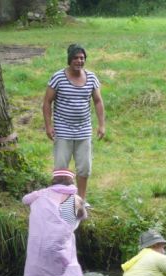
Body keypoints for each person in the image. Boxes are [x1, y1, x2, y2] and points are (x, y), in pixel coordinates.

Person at [42, 44, 106, 204]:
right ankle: (61, 199)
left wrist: (101, 125)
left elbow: (98, 101)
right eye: (76, 58)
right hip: (63, 131)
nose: (79, 61)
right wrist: (49, 126)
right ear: (70, 59)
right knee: (61, 168)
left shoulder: (91, 77)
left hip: (83, 130)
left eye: (82, 58)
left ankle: (81, 200)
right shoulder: (58, 77)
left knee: (84, 168)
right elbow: (47, 102)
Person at [23, 169, 88, 276]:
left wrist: (37, 194)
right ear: (71, 182)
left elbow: (25, 200)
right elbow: (82, 216)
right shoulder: (73, 198)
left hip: (39, 244)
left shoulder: (41, 194)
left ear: (53, 181)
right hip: (59, 244)